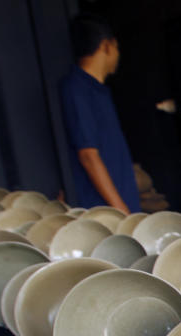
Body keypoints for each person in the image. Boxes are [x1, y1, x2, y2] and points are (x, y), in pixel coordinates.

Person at [58, 14, 140, 213]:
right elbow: (88, 155)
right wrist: (120, 209)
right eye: (117, 47)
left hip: (119, 208)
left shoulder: (99, 90)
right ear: (106, 46)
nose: (118, 54)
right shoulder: (76, 88)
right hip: (103, 213)